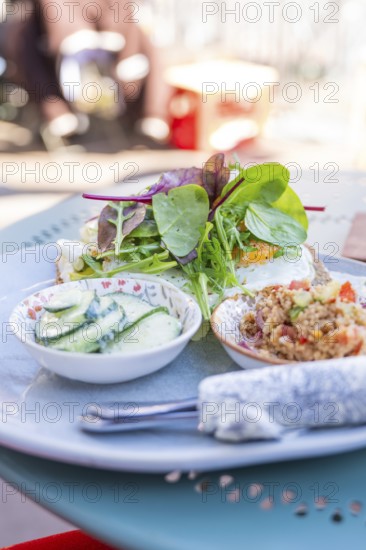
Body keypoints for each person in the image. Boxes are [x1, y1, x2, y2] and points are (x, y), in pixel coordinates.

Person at [1, 0, 170, 144]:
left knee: (149, 44)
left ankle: (151, 112)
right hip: (58, 26)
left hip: (106, 27)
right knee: (25, 36)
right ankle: (58, 110)